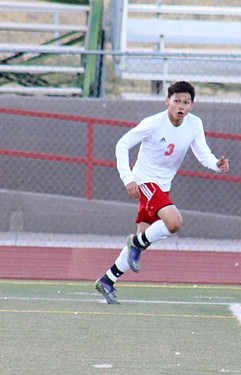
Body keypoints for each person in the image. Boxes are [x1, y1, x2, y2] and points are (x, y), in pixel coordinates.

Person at [94, 81, 229, 304]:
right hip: (145, 182)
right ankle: (135, 244)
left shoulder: (194, 124)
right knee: (174, 222)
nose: (181, 106)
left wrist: (217, 164)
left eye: (186, 102)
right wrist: (128, 179)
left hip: (163, 187)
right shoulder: (153, 123)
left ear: (192, 106)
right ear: (167, 101)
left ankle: (107, 280)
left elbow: (202, 152)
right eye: (176, 101)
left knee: (143, 238)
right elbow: (122, 144)